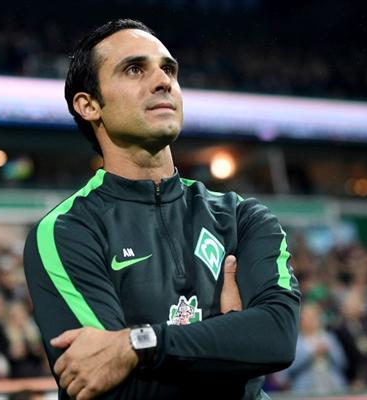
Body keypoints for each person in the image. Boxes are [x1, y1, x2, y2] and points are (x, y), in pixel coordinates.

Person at [24, 18, 300, 400]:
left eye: (168, 69)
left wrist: (139, 345)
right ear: (89, 105)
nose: (162, 81)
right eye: (135, 69)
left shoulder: (242, 217)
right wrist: (231, 347)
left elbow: (277, 337)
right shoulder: (66, 231)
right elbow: (106, 387)